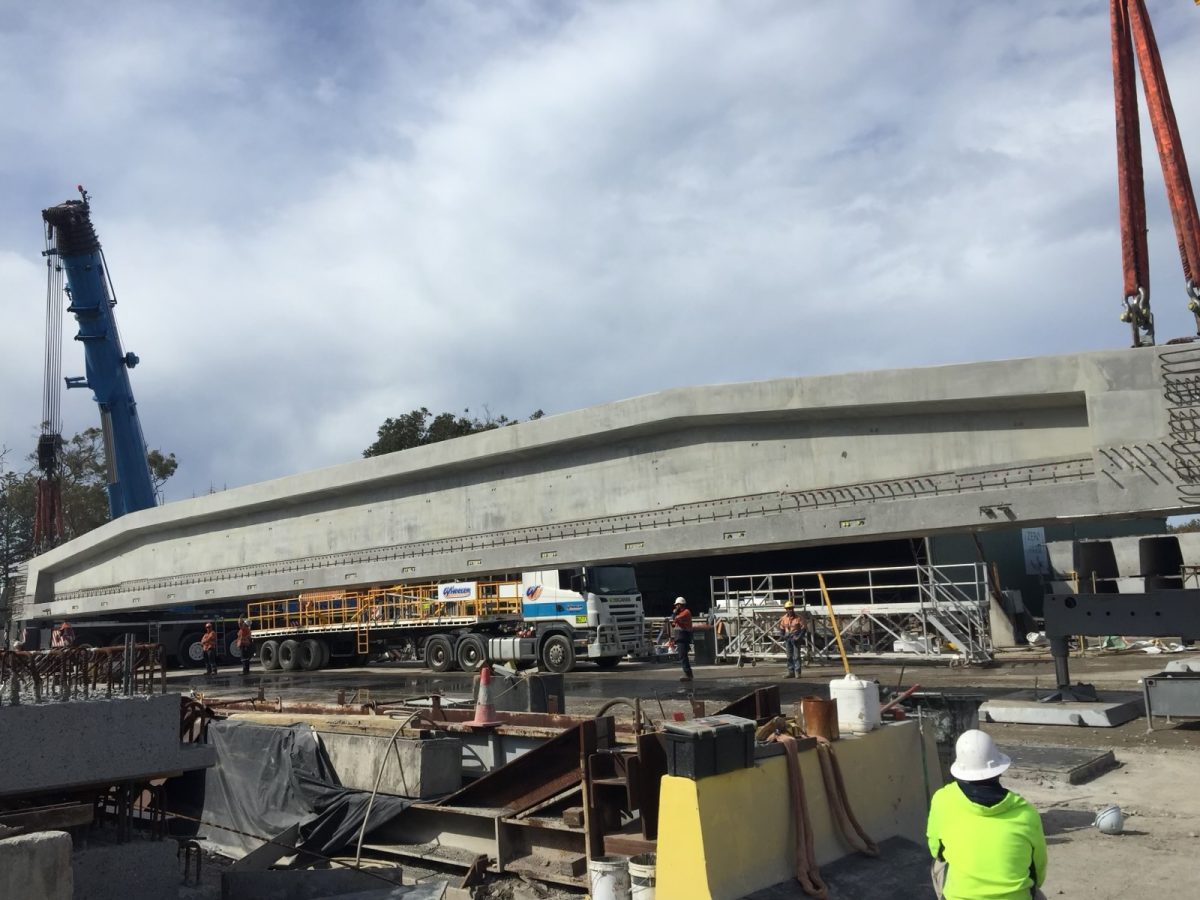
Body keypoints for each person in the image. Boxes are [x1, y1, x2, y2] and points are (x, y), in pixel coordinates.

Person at [927, 729, 1048, 900]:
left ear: (960, 770)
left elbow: (937, 851)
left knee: (939, 864)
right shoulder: (1026, 813)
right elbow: (1038, 870)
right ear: (999, 770)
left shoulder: (942, 800)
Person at [778, 601, 806, 678]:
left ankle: (797, 672)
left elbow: (803, 629)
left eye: (791, 608)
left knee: (796, 656)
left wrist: (799, 637)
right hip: (788, 638)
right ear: (786, 609)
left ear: (793, 609)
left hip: (795, 637)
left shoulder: (798, 618)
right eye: (788, 609)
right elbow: (781, 629)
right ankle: (791, 672)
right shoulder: (784, 618)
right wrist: (782, 636)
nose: (789, 610)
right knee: (789, 656)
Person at [671, 597, 693, 682]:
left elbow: (675, 619)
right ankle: (689, 674)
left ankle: (688, 674)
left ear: (680, 605)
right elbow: (674, 623)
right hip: (680, 637)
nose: (675, 607)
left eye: (676, 605)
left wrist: (674, 614)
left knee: (683, 656)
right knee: (683, 656)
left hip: (684, 637)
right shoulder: (681, 614)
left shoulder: (686, 612)